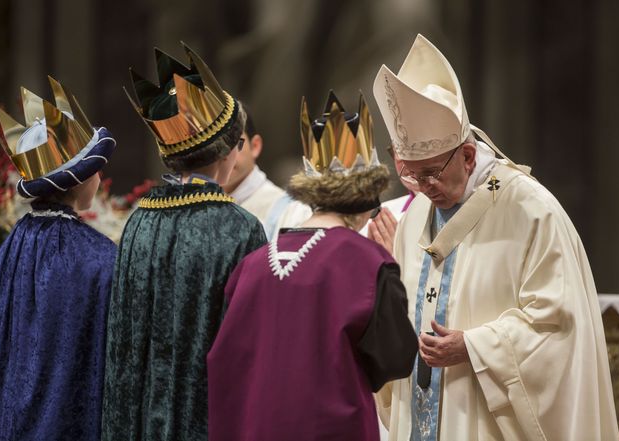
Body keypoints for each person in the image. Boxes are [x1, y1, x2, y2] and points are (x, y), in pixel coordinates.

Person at [371, 34, 619, 441]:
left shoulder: (530, 210)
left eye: (431, 172)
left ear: (467, 156)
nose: (421, 186)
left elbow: (559, 328)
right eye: (410, 173)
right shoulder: (416, 211)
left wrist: (474, 347)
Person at [207, 92, 418, 441]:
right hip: (332, 428)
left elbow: (226, 362)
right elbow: (395, 360)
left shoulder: (253, 264)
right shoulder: (369, 262)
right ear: (367, 201)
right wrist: (395, 265)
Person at [101, 43, 267, 441]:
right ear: (228, 150)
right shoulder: (241, 228)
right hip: (208, 421)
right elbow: (251, 344)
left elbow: (121, 343)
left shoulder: (139, 219)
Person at [0, 77, 117, 441]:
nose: (100, 177)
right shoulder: (99, 257)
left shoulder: (13, 244)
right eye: (95, 169)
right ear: (80, 180)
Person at [222, 101, 311, 240]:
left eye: (232, 142)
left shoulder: (292, 212)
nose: (223, 154)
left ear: (255, 146)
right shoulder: (190, 208)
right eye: (213, 146)